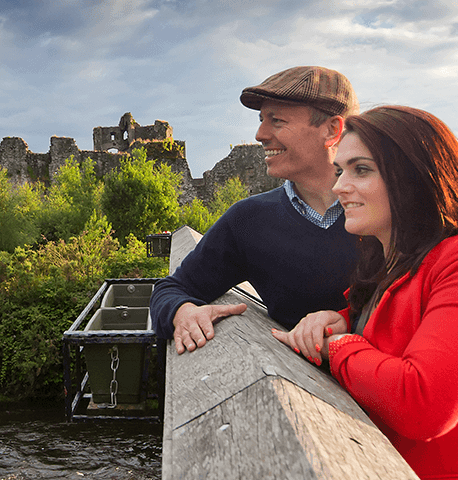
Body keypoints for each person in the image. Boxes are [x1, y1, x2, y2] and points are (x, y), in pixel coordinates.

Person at [272, 105, 458, 480]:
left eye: (361, 170)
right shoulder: (392, 265)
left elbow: (423, 404)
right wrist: (340, 321)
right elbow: (405, 328)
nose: (340, 188)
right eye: (340, 172)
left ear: (416, 178)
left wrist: (339, 346)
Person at [151, 66, 359, 353]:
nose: (260, 134)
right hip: (301, 391)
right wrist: (182, 313)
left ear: (332, 130)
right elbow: (171, 290)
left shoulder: (392, 212)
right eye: (262, 120)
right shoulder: (249, 220)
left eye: (277, 121)